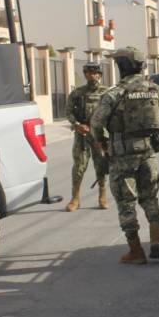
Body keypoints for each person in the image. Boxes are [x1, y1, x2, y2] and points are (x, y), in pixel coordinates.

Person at [90, 47, 159, 264]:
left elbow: (96, 124)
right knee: (150, 197)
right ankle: (156, 240)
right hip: (148, 154)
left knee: (126, 203)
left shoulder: (114, 94)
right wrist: (149, 136)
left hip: (122, 156)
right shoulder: (157, 91)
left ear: (121, 66)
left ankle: (136, 251)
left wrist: (102, 142)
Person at [65, 62, 110, 211]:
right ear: (85, 74)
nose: (92, 75)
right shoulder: (77, 93)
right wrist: (77, 124)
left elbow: (113, 113)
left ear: (100, 75)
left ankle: (102, 196)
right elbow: (69, 112)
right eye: (89, 73)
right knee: (79, 167)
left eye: (95, 73)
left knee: (101, 165)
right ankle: (75, 198)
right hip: (82, 135)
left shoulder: (106, 93)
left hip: (99, 135)